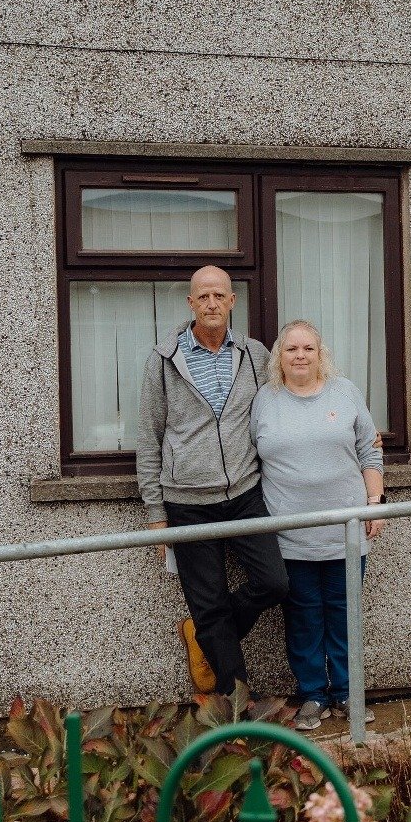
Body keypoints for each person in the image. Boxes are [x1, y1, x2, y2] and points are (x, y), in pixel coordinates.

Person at [136, 266, 288, 700]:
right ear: (190, 303)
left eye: (219, 296)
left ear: (232, 300)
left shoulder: (255, 354)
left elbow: (287, 401)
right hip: (186, 501)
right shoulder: (164, 360)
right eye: (203, 297)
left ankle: (205, 634)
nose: (212, 304)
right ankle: (238, 707)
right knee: (209, 603)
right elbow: (149, 436)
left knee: (274, 583)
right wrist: (155, 514)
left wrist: (355, 431)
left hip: (244, 492)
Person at [250, 320, 385, 731]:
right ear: (280, 357)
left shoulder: (345, 393)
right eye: (291, 349)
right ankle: (312, 694)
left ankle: (347, 692)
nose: (300, 355)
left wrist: (375, 503)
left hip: (346, 529)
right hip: (290, 535)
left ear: (320, 353)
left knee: (344, 614)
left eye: (308, 347)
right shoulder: (264, 400)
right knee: (304, 618)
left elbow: (369, 449)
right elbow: (250, 459)